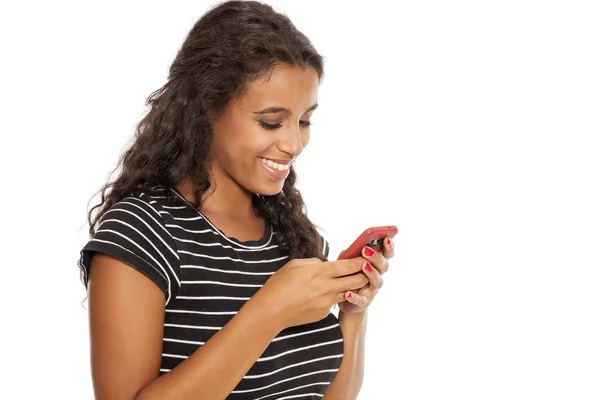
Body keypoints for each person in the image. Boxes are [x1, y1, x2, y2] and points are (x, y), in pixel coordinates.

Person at [78, 1, 395, 399]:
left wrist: (353, 312)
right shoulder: (142, 233)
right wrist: (271, 309)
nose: (294, 144)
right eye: (270, 121)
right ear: (205, 109)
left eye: (305, 120)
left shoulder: (289, 233)